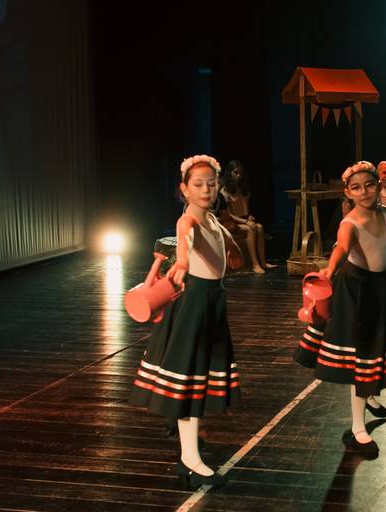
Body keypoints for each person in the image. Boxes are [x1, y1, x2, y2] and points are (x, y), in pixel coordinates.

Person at [294, 161, 386, 458]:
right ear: (348, 193)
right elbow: (342, 248)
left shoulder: (384, 214)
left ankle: (371, 397)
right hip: (357, 292)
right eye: (356, 188)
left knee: (377, 350)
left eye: (369, 185)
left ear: (378, 186)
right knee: (363, 358)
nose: (364, 191)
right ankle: (358, 427)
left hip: (381, 288)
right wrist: (329, 269)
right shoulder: (349, 222)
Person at [130, 154, 243, 489]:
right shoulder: (188, 221)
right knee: (189, 380)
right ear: (184, 189)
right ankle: (189, 459)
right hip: (194, 303)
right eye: (198, 184)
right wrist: (181, 262)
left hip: (212, 302)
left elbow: (226, 246)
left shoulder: (213, 220)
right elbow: (185, 239)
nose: (206, 190)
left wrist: (233, 246)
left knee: (199, 379)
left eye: (211, 184)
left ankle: (187, 448)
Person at [217, 160, 275, 274]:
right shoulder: (225, 191)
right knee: (252, 228)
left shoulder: (243, 188)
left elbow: (246, 208)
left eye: (240, 173)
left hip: (244, 218)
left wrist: (249, 217)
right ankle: (255, 264)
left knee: (260, 227)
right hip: (234, 221)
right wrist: (245, 222)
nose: (238, 176)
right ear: (229, 173)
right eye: (235, 173)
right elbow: (229, 215)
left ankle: (263, 262)